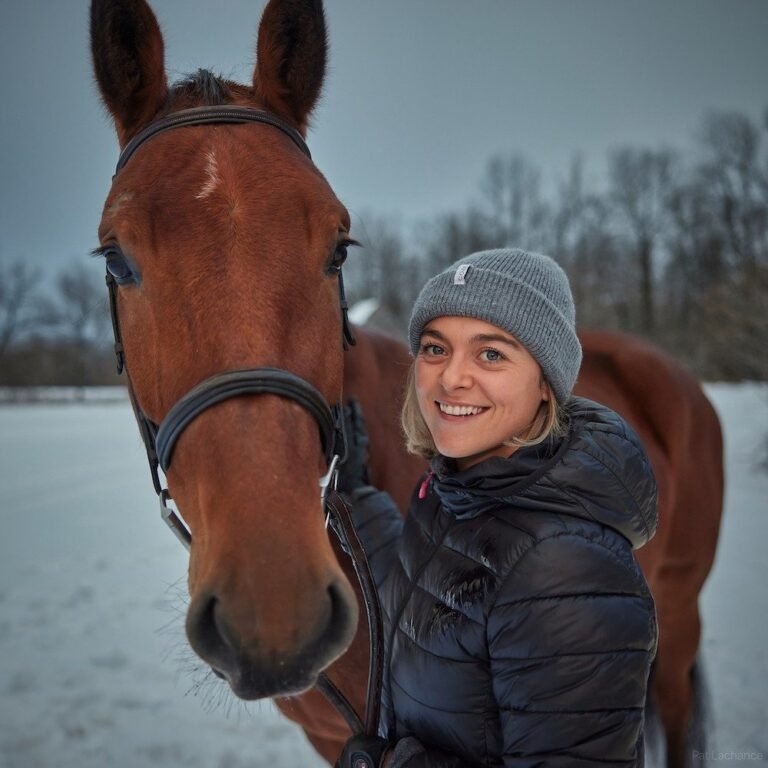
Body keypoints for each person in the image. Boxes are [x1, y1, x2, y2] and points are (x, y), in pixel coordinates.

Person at [335, 248, 658, 768]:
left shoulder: (563, 567)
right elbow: (435, 595)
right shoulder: (460, 491)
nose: (450, 378)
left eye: (491, 355)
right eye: (436, 348)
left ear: (546, 385)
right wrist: (357, 495)